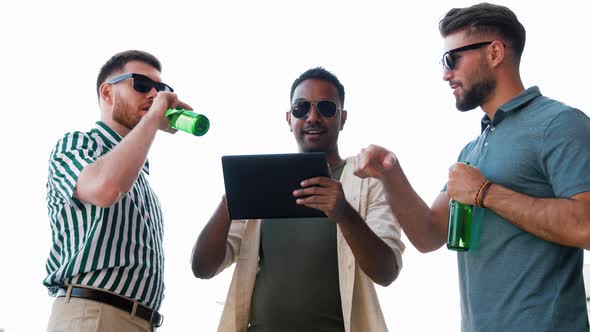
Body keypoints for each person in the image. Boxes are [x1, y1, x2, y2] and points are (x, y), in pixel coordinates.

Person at [355, 3, 590, 331]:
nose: (445, 73)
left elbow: (586, 226)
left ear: (495, 53)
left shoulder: (560, 124)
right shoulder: (473, 150)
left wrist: (485, 193)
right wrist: (391, 174)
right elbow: (428, 235)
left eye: (452, 59)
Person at [191, 67, 405, 332]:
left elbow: (387, 272)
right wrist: (229, 201)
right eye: (300, 109)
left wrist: (343, 212)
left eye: (326, 108)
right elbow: (202, 267)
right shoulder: (263, 181)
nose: (312, 117)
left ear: (343, 118)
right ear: (288, 118)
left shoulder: (368, 180)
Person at [44, 50, 191, 331]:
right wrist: (155, 115)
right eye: (142, 85)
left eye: (161, 89)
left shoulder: (140, 176)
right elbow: (106, 188)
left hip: (140, 321)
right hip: (93, 315)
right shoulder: (78, 144)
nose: (154, 95)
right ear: (107, 93)